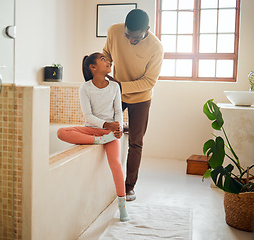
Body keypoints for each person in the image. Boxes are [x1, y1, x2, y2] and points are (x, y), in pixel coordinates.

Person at [57, 52, 129, 222]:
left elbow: (118, 111)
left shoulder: (114, 87)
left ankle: (122, 206)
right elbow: (88, 116)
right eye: (103, 59)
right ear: (93, 67)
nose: (109, 61)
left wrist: (117, 126)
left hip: (110, 134)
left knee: (116, 164)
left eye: (108, 59)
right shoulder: (86, 88)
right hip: (93, 130)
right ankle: (98, 141)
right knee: (61, 132)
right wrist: (105, 126)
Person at [103, 9, 163, 201]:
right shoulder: (114, 31)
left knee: (135, 143)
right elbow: (107, 53)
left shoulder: (156, 48)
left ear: (147, 30)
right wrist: (101, 69)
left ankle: (129, 187)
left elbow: (149, 81)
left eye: (135, 38)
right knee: (103, 130)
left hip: (141, 98)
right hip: (117, 94)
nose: (130, 40)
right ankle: (102, 179)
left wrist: (120, 86)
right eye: (128, 36)